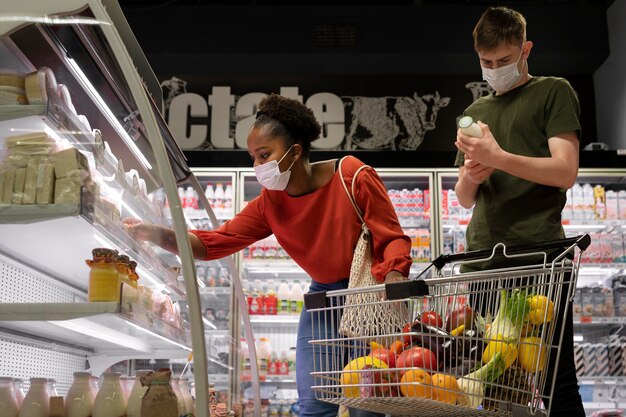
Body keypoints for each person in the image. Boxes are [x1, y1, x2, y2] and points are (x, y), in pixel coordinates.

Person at [124, 93, 412, 417]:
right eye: (254, 158)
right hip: (322, 301)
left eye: (265, 155)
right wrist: (154, 232)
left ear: (295, 151)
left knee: (367, 405)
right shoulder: (268, 204)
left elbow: (391, 236)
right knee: (315, 404)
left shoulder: (351, 175)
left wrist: (394, 277)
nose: (258, 166)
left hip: (368, 298)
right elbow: (214, 241)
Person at [453, 6, 584, 417]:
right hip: (481, 264)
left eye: (504, 61)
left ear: (526, 49)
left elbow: (565, 171)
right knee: (489, 387)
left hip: (539, 261)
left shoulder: (553, 91)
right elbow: (463, 197)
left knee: (553, 383)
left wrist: (499, 156)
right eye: (486, 62)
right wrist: (475, 172)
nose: (494, 69)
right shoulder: (478, 112)